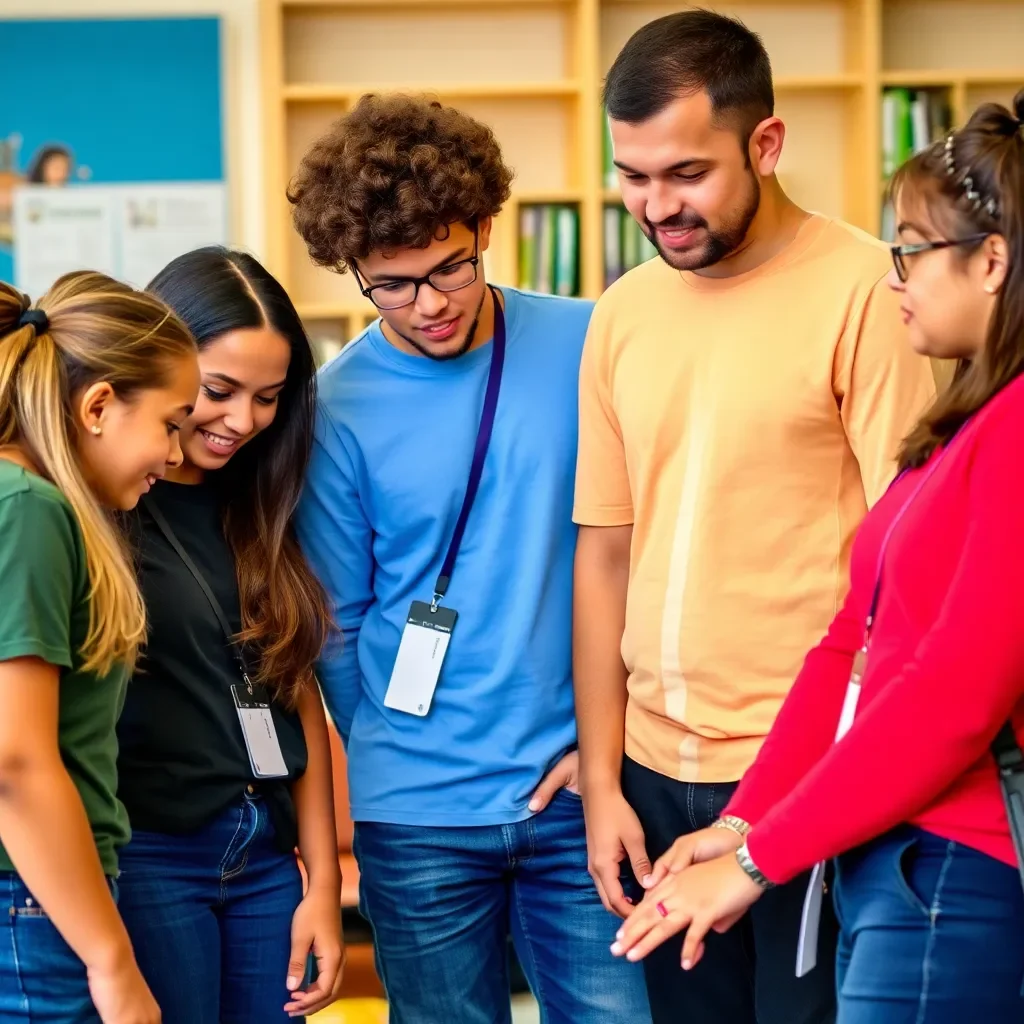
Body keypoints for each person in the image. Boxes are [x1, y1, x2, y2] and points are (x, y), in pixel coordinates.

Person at [610, 88, 1024, 1024]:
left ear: (992, 262)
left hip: (956, 866)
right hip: (892, 852)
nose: (896, 279)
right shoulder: (961, 430)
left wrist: (760, 858)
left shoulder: (1015, 431)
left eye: (913, 251)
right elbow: (848, 648)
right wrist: (742, 821)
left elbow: (951, 694)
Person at [572, 10, 938, 1024]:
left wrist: (827, 779)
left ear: (765, 144)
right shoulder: (622, 313)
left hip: (805, 769)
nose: (655, 205)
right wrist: (603, 783)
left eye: (685, 172)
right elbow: (603, 555)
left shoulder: (871, 292)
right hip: (651, 774)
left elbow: (903, 563)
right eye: (633, 176)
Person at [287, 94, 652, 1024]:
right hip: (417, 814)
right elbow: (340, 623)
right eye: (393, 284)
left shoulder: (590, 340)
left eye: (450, 267)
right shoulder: (335, 408)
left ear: (486, 226)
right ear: (353, 272)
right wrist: (398, 750)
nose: (430, 304)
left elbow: (640, 549)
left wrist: (605, 751)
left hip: (579, 789)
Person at [113, 247, 344, 1024]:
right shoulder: (101, 507)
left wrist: (320, 885)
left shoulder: (261, 500)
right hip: (150, 852)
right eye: (219, 391)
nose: (242, 421)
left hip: (264, 855)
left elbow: (293, 691)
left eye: (269, 397)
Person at [0, 271, 200, 1022]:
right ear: (97, 406)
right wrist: (113, 964)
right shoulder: (29, 511)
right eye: (172, 423)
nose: (177, 454)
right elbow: (15, 763)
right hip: (30, 903)